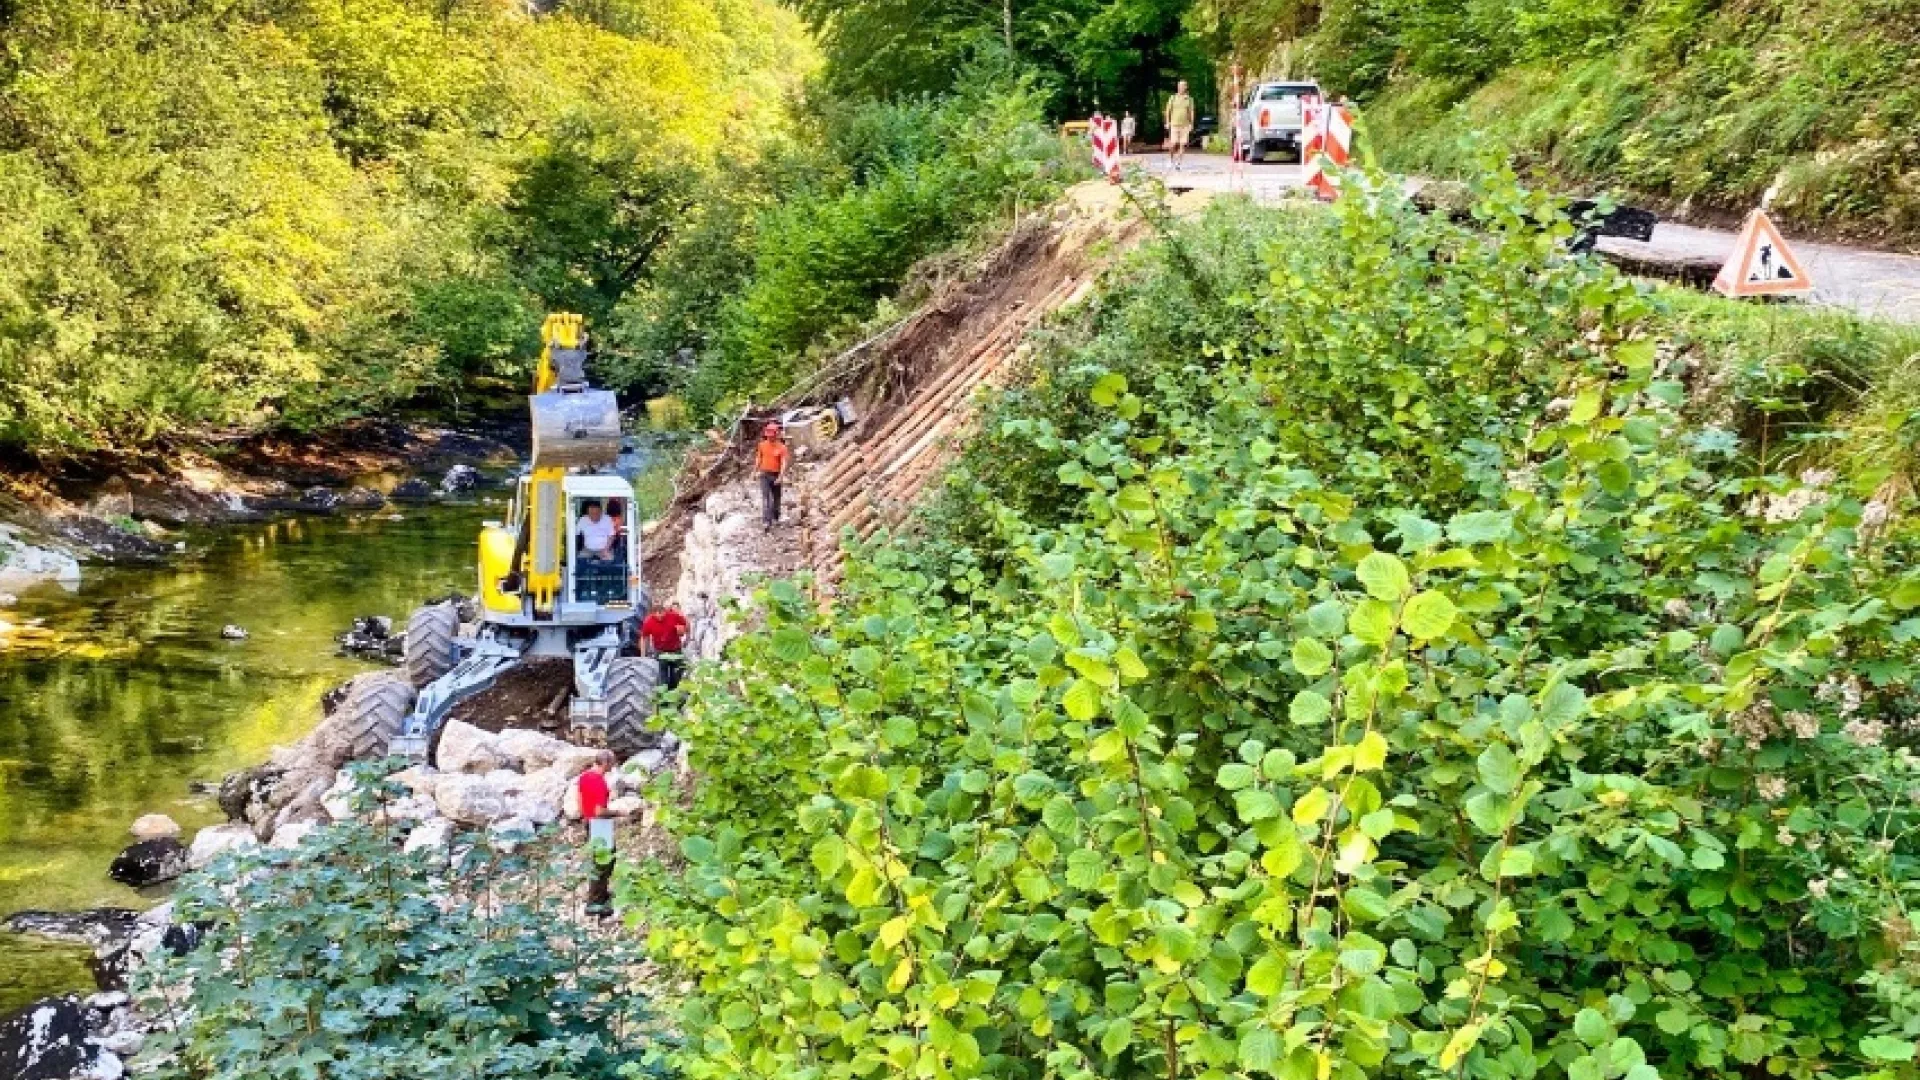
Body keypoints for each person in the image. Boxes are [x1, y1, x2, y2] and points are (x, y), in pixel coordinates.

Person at [578, 752, 615, 916]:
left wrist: (585, 816)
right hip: (600, 824)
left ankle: (600, 894)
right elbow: (600, 811)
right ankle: (595, 903)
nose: (613, 766)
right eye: (612, 763)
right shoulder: (599, 782)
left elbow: (580, 799)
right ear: (605, 763)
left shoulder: (584, 776)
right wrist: (618, 812)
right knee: (603, 863)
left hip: (589, 821)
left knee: (600, 860)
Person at [641, 602, 690, 691]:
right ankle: (664, 695)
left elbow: (686, 623)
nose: (659, 616)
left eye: (661, 613)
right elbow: (645, 638)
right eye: (656, 613)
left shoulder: (673, 616)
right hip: (660, 651)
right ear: (652, 613)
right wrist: (643, 655)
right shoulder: (648, 621)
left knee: (676, 675)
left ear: (665, 611)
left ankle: (676, 693)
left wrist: (687, 638)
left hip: (675, 650)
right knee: (662, 677)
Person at [755, 422, 789, 530]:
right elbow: (759, 458)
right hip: (764, 474)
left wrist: (780, 477)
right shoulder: (762, 445)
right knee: (766, 498)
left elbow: (783, 463)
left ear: (776, 434)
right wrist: (754, 471)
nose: (770, 437)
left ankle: (776, 516)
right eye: (768, 435)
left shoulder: (782, 447)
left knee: (776, 498)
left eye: (772, 435)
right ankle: (766, 521)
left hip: (776, 475)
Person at [1164, 80, 1195, 170]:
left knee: (1182, 144)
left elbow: (1191, 112)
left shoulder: (1189, 99)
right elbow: (1168, 110)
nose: (1181, 87)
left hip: (1185, 126)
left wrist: (1191, 124)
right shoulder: (1173, 97)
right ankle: (1170, 160)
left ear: (1186, 87)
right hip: (1174, 125)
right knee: (1173, 144)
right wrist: (1167, 122)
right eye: (1179, 86)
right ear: (1177, 87)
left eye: (1182, 86)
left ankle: (1178, 163)